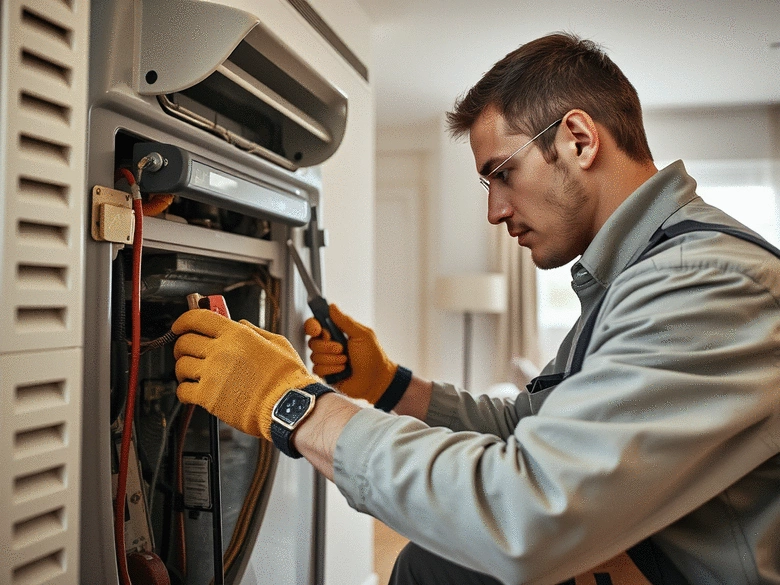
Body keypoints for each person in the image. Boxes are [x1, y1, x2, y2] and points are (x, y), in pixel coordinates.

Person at [171, 32, 780, 584]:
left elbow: (526, 513)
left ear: (578, 139)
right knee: (428, 566)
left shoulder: (703, 281)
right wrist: (390, 384)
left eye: (503, 173)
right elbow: (525, 427)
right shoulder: (637, 273)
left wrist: (291, 403)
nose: (494, 211)